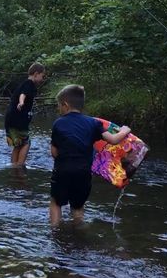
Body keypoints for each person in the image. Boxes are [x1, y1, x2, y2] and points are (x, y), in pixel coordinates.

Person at [49, 84, 130, 224]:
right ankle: (79, 232)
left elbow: (54, 152)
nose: (58, 108)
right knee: (78, 206)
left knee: (56, 202)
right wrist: (124, 130)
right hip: (83, 172)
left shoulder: (58, 124)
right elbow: (114, 140)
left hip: (63, 170)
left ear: (65, 105)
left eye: (59, 105)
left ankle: (55, 232)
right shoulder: (93, 123)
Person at [3, 63, 46, 165]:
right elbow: (23, 94)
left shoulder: (24, 84)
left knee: (17, 145)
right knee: (26, 143)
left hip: (10, 119)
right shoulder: (29, 84)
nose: (43, 79)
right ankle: (20, 165)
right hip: (18, 119)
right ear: (36, 74)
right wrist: (21, 102)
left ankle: (14, 166)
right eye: (42, 76)